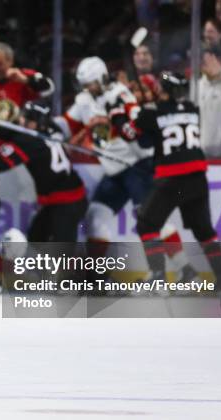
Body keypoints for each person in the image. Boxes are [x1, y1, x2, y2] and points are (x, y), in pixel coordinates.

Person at [57, 56, 197, 283]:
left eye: (91, 83)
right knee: (96, 216)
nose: (87, 89)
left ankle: (186, 271)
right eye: (84, 85)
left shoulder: (120, 94)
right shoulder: (84, 100)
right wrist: (46, 124)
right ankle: (96, 275)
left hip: (137, 167)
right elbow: (66, 125)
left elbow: (136, 121)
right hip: (114, 171)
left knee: (150, 221)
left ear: (102, 78)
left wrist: (117, 115)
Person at [133, 72, 221, 292]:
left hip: (172, 179)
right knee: (205, 231)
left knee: (146, 224)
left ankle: (158, 280)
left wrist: (140, 108)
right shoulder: (192, 109)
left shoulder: (153, 113)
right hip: (197, 177)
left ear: (165, 91)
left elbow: (137, 135)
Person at [0, 100, 88, 243]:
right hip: (64, 197)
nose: (23, 121)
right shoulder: (53, 129)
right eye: (25, 116)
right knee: (37, 237)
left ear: (40, 123)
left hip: (67, 201)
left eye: (30, 119)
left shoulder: (29, 142)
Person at [0, 42, 53, 121]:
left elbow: (49, 88)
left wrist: (26, 80)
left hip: (18, 127)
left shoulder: (22, 75)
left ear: (10, 62)